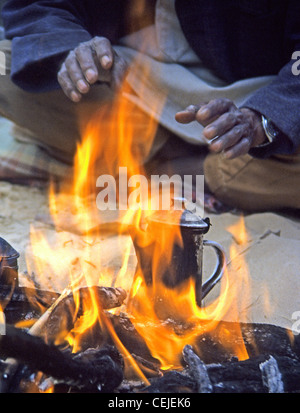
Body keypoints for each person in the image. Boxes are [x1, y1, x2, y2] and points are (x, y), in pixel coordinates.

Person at [0, 0, 300, 212]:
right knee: (3, 64)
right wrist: (69, 50)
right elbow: (34, 5)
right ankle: (167, 153)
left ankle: (188, 172)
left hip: (257, 106)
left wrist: (261, 120)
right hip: (123, 90)